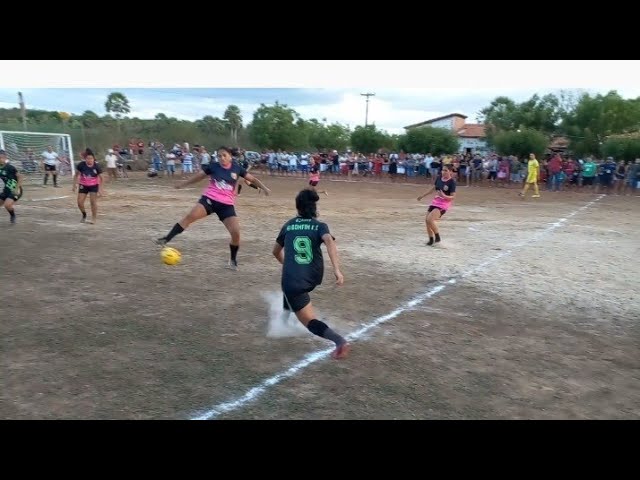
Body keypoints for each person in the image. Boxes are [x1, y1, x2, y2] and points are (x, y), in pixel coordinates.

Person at [155, 146, 271, 270]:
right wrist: (183, 184)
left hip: (226, 205)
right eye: (219, 156)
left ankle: (233, 260)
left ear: (230, 157)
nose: (221, 158)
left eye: (224, 155)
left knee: (236, 233)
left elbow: (252, 179)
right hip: (209, 200)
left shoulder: (237, 168)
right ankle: (166, 239)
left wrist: (264, 188)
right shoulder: (213, 166)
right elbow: (199, 177)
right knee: (190, 217)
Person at [272, 189, 349, 359]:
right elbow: (329, 240)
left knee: (309, 320)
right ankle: (285, 319)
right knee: (290, 290)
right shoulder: (320, 225)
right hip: (314, 276)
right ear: (314, 207)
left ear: (297, 208)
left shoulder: (288, 225)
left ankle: (338, 340)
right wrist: (337, 270)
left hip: (294, 282)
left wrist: (288, 263)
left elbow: (276, 252)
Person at [417, 164, 457, 246]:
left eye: (446, 170)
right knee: (427, 221)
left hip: (443, 204)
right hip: (435, 202)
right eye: (443, 170)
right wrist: (423, 195)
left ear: (450, 171)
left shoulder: (451, 182)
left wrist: (444, 196)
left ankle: (437, 237)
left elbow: (452, 197)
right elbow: (433, 188)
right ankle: (431, 239)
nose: (443, 172)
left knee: (430, 219)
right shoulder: (439, 178)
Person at [72, 148, 105, 224]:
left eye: (91, 158)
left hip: (93, 186)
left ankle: (94, 218)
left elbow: (102, 179)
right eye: (88, 158)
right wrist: (74, 185)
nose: (89, 160)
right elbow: (76, 175)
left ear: (94, 159)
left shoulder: (96, 166)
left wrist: (100, 189)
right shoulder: (81, 165)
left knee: (93, 202)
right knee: (79, 203)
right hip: (83, 185)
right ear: (85, 159)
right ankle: (84, 215)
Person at [0, 149, 23, 224]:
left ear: (5, 158)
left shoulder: (10, 167)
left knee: (7, 205)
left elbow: (20, 177)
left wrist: (16, 189)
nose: (1, 159)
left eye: (2, 157)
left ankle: (13, 215)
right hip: (6, 190)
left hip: (15, 190)